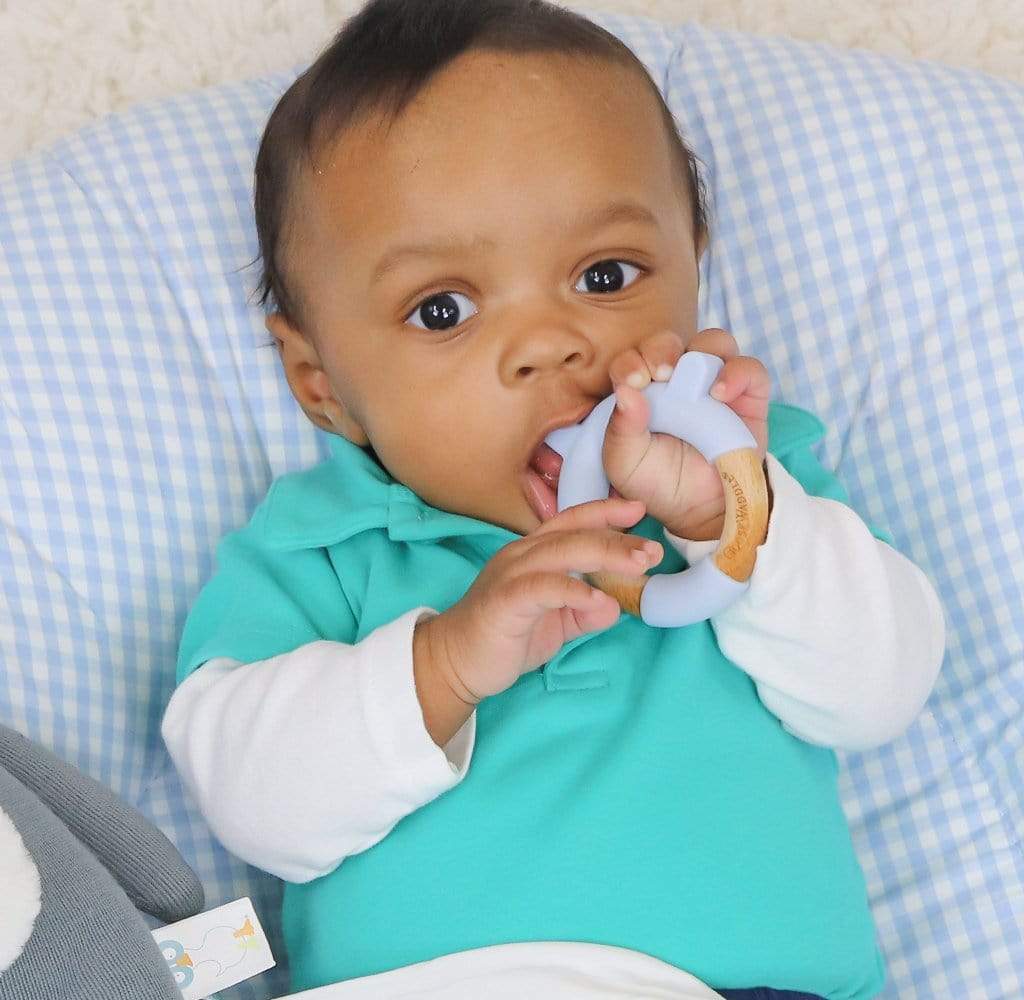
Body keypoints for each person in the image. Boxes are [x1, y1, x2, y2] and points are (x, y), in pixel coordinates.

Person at [161, 1, 946, 997]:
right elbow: (254, 805)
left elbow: (880, 689)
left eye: (606, 275)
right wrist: (444, 663)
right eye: (442, 309)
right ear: (320, 383)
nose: (551, 345)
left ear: (694, 260)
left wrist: (729, 520)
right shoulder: (323, 546)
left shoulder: (748, 482)